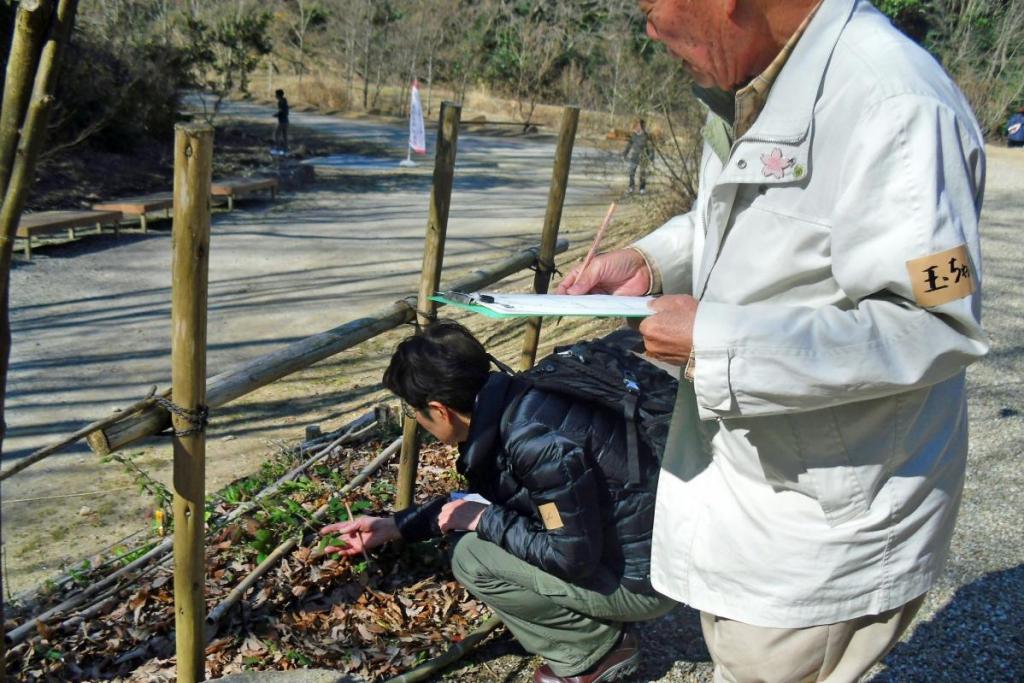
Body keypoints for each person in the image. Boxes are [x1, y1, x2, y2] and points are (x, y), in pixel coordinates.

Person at [558, 1, 989, 681]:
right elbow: (744, 222)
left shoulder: (897, 107)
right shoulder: (761, 81)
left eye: (650, 4)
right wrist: (653, 262)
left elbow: (935, 318)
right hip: (761, 494)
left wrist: (717, 342)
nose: (648, 26)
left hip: (829, 517)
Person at [319, 321, 675, 683]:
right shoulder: (517, 399)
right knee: (479, 532)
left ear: (439, 410)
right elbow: (503, 498)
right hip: (653, 547)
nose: (419, 421)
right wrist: (397, 525)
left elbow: (571, 558)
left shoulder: (534, 445)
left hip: (650, 582)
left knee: (472, 557)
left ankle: (594, 651)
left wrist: (483, 520)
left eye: (415, 412)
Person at [622, 118, 654, 194]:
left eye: (639, 125)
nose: (637, 127)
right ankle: (631, 187)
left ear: (643, 126)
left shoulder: (646, 136)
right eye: (637, 125)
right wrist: (625, 153)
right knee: (631, 173)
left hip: (644, 157)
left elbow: (650, 147)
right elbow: (629, 145)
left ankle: (642, 188)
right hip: (634, 156)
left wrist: (651, 158)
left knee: (642, 173)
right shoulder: (633, 135)